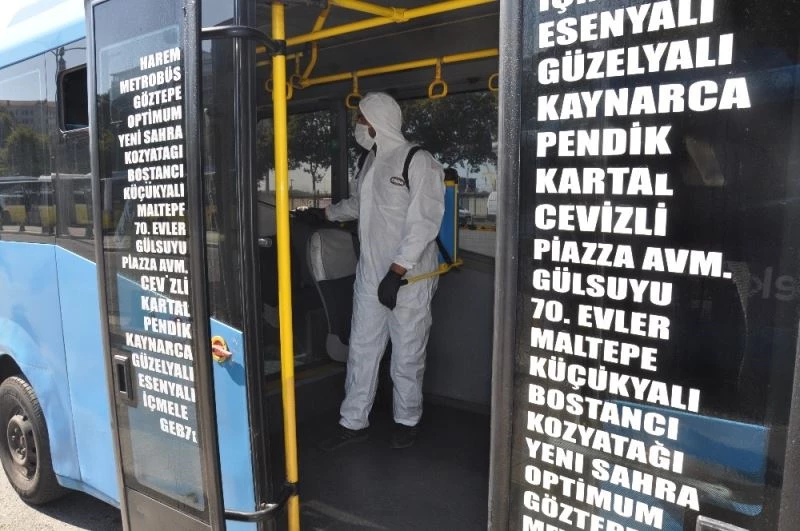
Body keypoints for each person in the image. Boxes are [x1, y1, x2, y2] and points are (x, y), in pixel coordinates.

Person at [318, 92, 445, 450]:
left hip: (408, 277)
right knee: (362, 348)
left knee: (407, 352)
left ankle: (407, 420)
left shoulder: (418, 161)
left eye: (361, 119)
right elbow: (362, 204)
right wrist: (326, 214)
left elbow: (425, 222)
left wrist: (397, 270)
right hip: (371, 273)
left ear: (377, 121)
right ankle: (353, 420)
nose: (358, 126)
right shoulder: (372, 161)